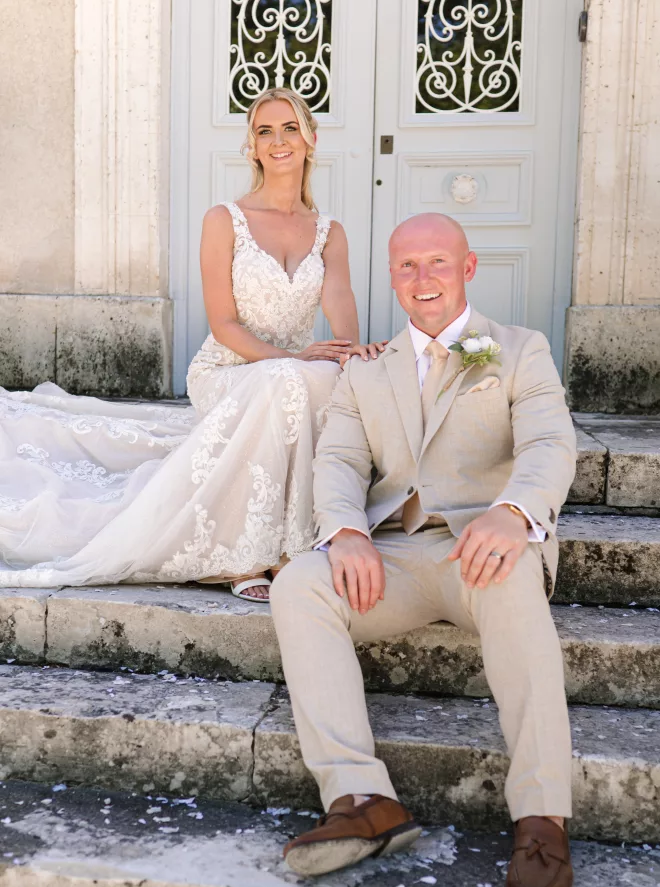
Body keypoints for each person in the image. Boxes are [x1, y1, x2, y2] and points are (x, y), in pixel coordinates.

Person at [270, 212, 578, 887]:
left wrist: (515, 513)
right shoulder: (367, 372)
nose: (422, 279)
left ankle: (541, 821)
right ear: (393, 276)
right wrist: (345, 530)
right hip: (397, 555)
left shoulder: (517, 350)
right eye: (407, 266)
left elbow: (547, 445)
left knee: (514, 588)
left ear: (467, 269)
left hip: (486, 547)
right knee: (300, 584)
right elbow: (341, 459)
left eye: (437, 263)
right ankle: (361, 798)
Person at [0, 88, 381, 596]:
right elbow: (224, 323)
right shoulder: (225, 219)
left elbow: (340, 310)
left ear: (311, 138)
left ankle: (293, 547)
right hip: (227, 368)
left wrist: (347, 351)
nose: (278, 141)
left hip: (288, 374)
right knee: (290, 380)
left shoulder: (329, 232)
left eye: (290, 128)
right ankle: (247, 555)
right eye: (264, 131)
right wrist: (291, 359)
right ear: (252, 147)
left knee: (321, 379)